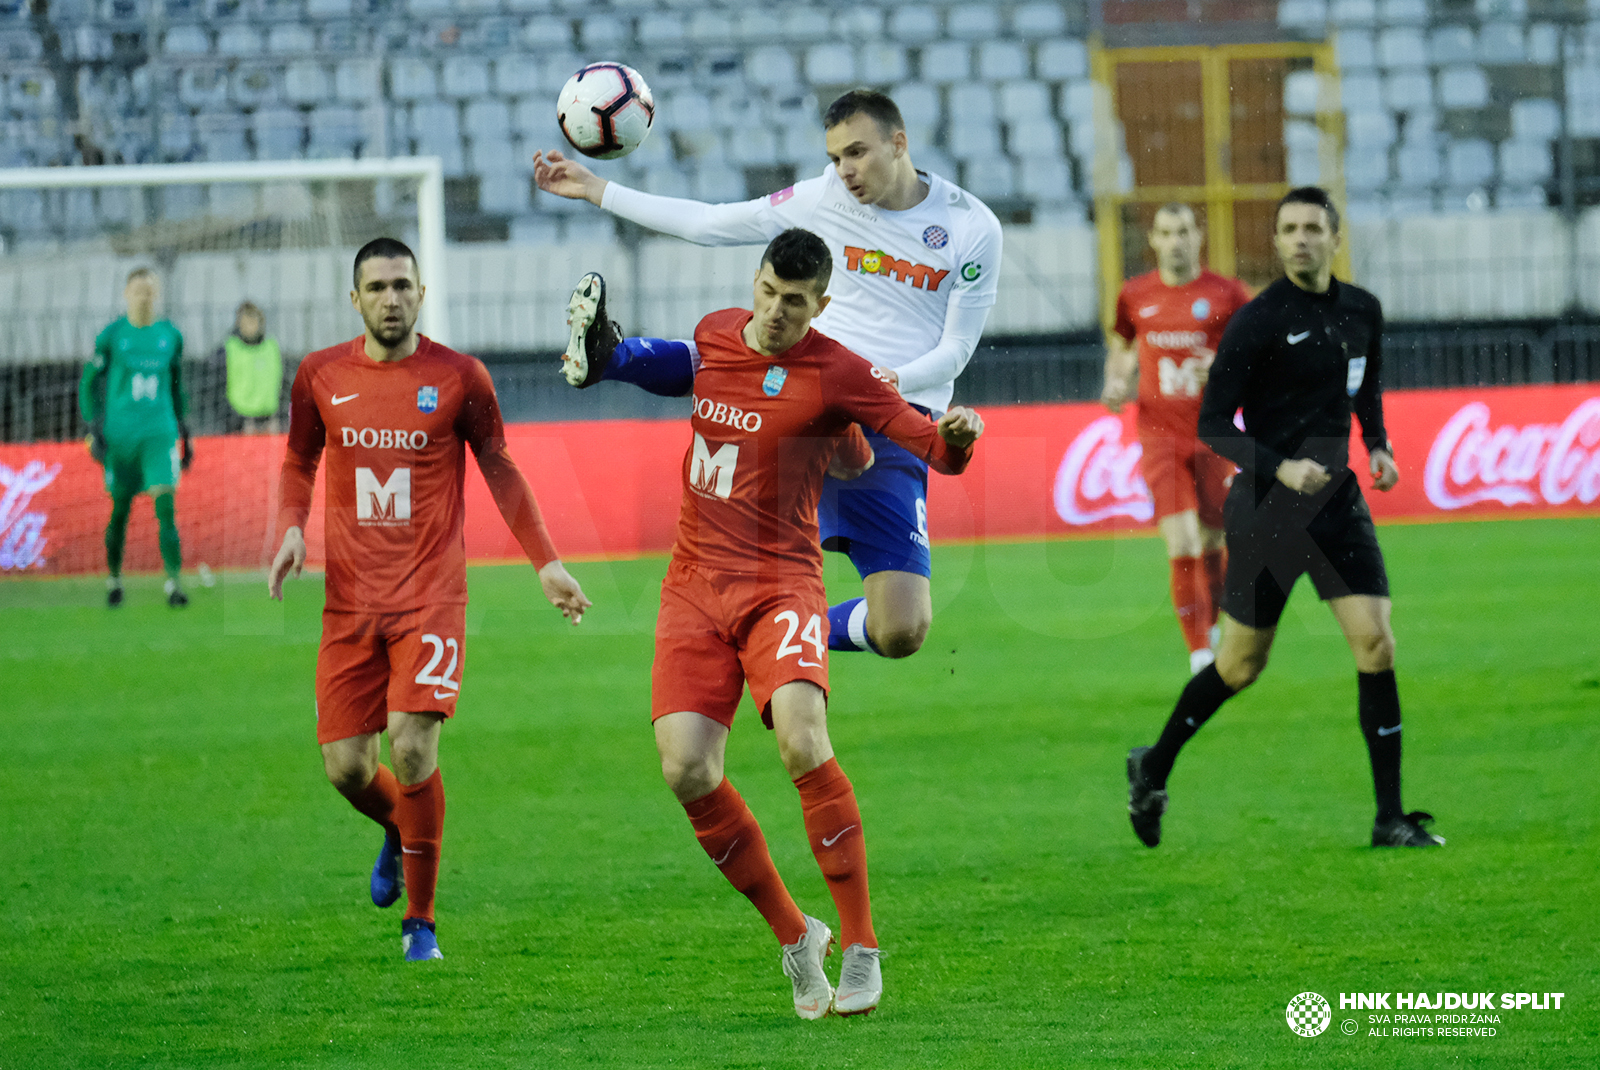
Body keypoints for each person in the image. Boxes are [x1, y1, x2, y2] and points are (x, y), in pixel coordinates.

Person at [588, 228, 982, 1018]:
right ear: (756, 281)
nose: (773, 311)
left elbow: (928, 445)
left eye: (793, 302)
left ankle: (863, 946)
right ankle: (797, 936)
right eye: (767, 291)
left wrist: (959, 443)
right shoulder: (716, 333)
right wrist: (612, 354)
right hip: (694, 585)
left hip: (781, 585)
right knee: (686, 771)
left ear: (821, 305)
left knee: (802, 739)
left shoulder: (840, 370)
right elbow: (666, 366)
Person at [534, 88, 1002, 662]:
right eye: (835, 158)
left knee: (901, 630)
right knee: (740, 358)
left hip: (893, 411)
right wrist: (596, 189)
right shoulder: (824, 198)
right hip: (813, 397)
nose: (845, 172)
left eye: (856, 153)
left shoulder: (972, 227)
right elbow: (711, 223)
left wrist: (890, 382)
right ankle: (614, 356)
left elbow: (957, 347)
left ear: (899, 143)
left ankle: (777, 630)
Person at [267, 237, 592, 962]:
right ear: (355, 299)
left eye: (403, 285)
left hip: (430, 598)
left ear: (421, 293)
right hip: (350, 601)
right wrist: (290, 528)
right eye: (377, 287)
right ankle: (397, 828)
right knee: (348, 768)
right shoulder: (321, 374)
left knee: (412, 748)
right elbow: (298, 457)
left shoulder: (459, 376)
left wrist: (547, 563)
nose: (391, 298)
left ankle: (421, 922)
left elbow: (501, 468)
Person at [1126, 187, 1443, 850]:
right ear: (1277, 242)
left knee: (1377, 644)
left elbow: (1365, 386)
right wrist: (1279, 466)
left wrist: (1378, 443)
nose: (1299, 239)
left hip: (1338, 503)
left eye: (1311, 228)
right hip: (1270, 509)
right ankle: (1152, 766)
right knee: (1240, 666)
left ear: (1334, 236)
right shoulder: (1259, 320)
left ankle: (1390, 817)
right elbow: (1215, 425)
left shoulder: (1363, 310)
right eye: (1288, 229)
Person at [1102, 205, 1252, 673]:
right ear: (1153, 239)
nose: (1176, 241)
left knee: (1213, 538)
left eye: (1184, 231)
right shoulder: (1135, 294)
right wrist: (1117, 378)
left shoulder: (1227, 295)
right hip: (1160, 437)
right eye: (1166, 232)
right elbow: (1124, 344)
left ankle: (1208, 624)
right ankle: (1200, 654)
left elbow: (1254, 355)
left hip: (1214, 434)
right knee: (1182, 540)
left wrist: (1225, 368)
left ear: (1198, 236)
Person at [80, 267, 193, 608]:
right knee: (120, 511)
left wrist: (186, 430)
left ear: (155, 294)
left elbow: (178, 386)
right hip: (120, 437)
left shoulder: (170, 336)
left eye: (149, 291)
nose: (144, 296)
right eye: (138, 290)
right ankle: (114, 579)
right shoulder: (112, 335)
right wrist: (93, 426)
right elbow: (89, 383)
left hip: (159, 434)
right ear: (127, 294)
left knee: (166, 506)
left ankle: (174, 584)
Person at [220, 301, 284, 433]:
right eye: (246, 322)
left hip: (269, 419)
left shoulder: (271, 346)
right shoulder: (229, 348)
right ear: (239, 324)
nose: (250, 327)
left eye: (253, 321)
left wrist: (281, 416)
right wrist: (233, 419)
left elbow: (283, 382)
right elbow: (219, 386)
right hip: (241, 420)